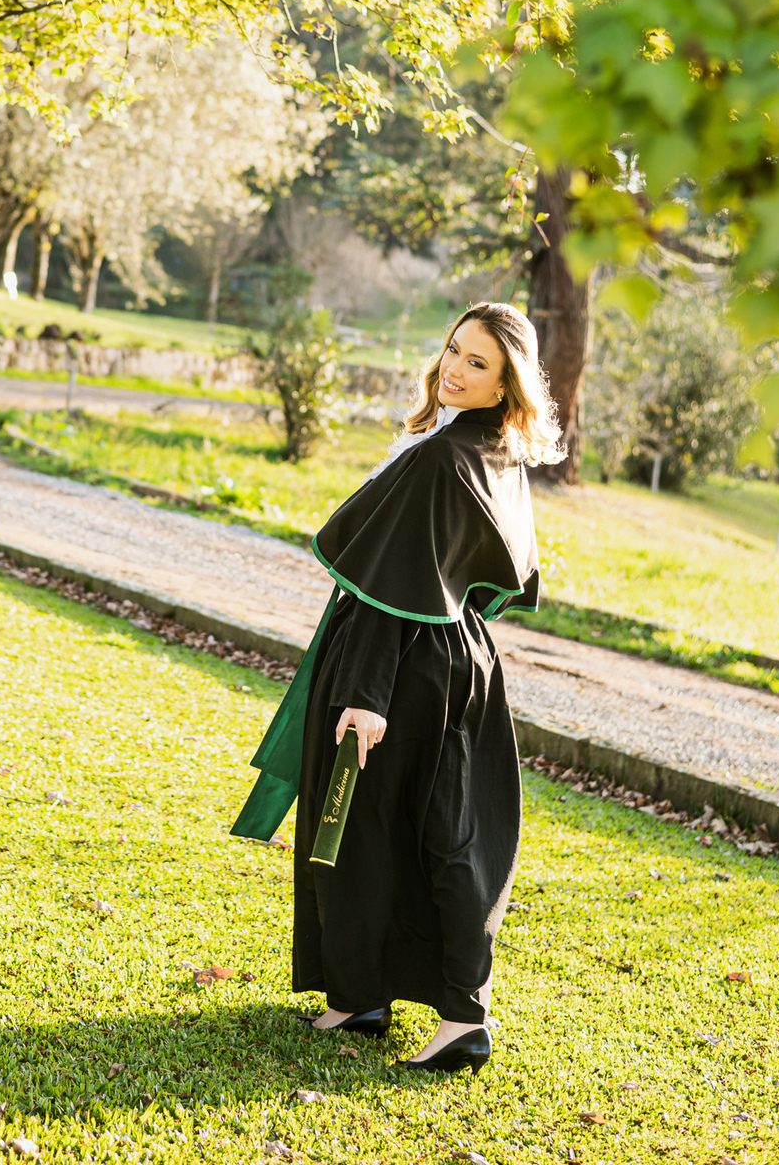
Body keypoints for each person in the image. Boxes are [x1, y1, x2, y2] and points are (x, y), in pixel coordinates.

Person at [232, 302, 564, 1074]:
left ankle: (433, 1012)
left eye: (478, 363)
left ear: (506, 382)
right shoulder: (492, 453)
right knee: (432, 828)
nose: (454, 368)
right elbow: (484, 580)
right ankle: (370, 997)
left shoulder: (443, 458)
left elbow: (392, 585)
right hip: (457, 659)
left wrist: (368, 695)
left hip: (396, 666)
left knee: (361, 827)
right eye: (454, 350)